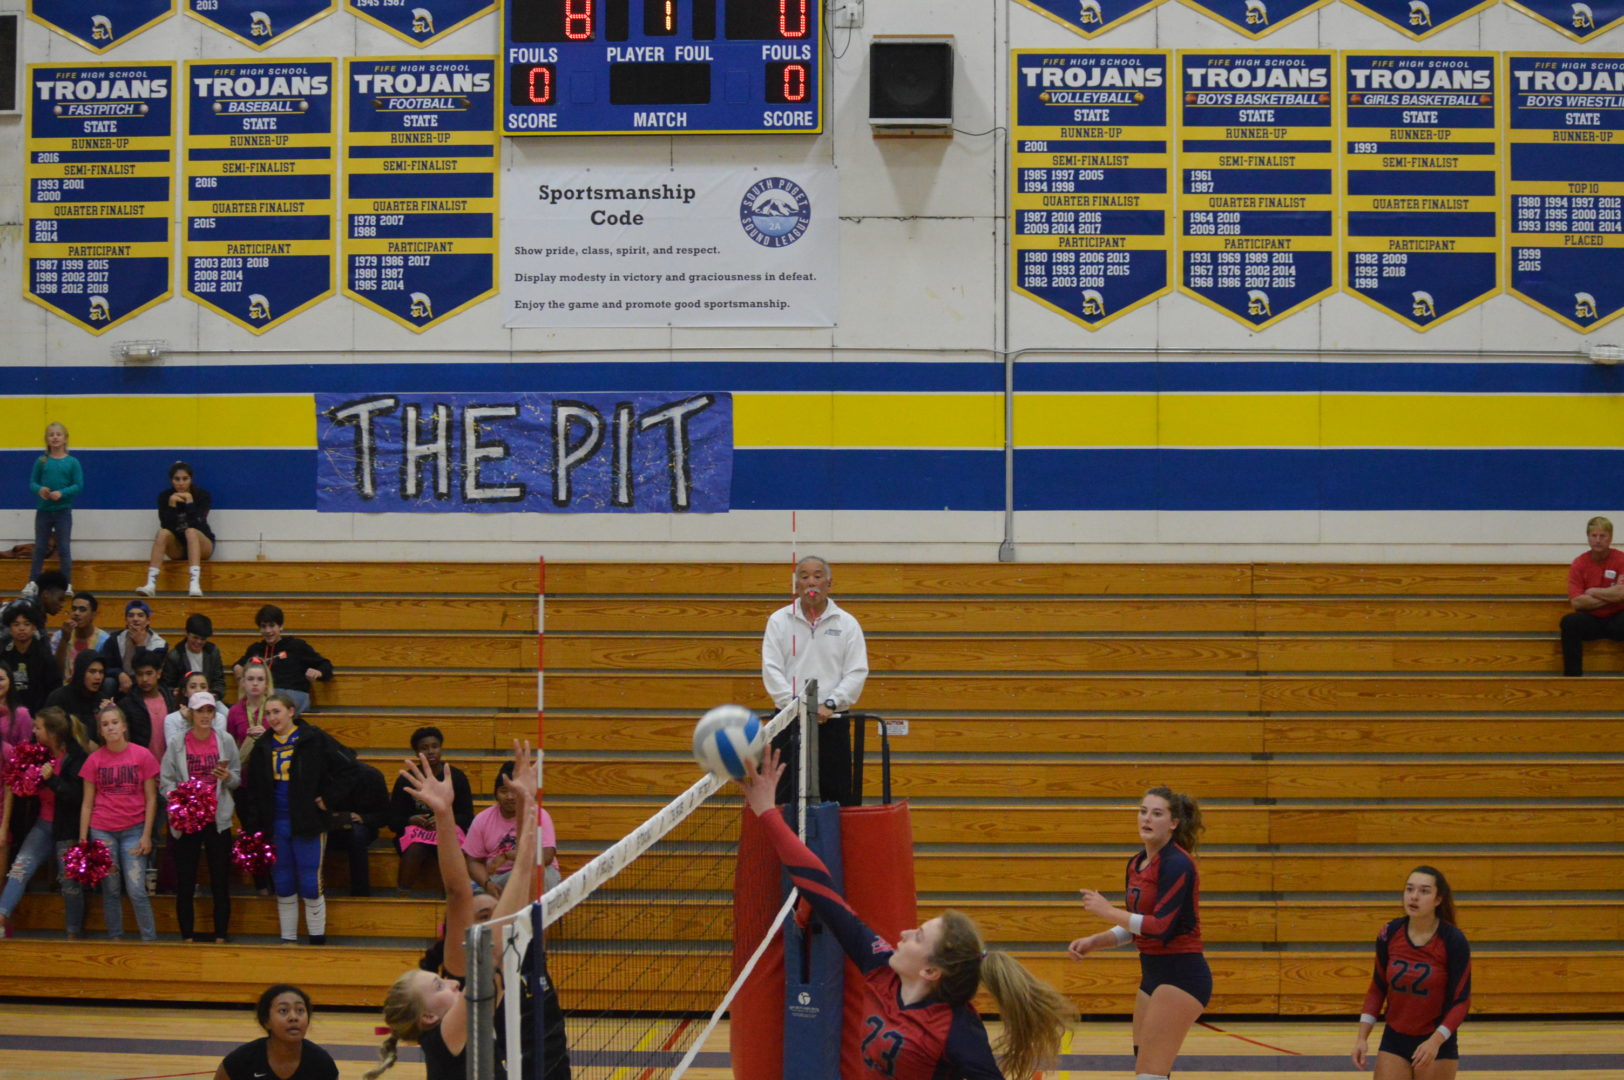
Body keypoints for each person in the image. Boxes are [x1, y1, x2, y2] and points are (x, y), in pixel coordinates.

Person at [736, 747, 1070, 1079]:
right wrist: (767, 812)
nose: (905, 933)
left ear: (930, 970)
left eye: (919, 937)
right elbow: (821, 891)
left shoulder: (955, 1030)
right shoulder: (881, 969)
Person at [366, 741, 543, 1080]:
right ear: (428, 1018)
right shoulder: (445, 1037)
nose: (450, 982)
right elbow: (492, 946)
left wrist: (444, 814)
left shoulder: (459, 1027)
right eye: (438, 986)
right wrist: (523, 857)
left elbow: (461, 892)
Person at [1068, 787, 1209, 1080]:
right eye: (1143, 811)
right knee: (1148, 1069)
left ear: (1173, 823)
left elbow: (1160, 927)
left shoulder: (1178, 864)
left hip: (1182, 976)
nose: (1146, 818)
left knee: (1149, 1074)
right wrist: (1096, 941)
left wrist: (1108, 911)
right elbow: (1136, 925)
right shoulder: (1136, 863)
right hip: (1152, 976)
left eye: (1157, 814)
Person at [240, 693, 356, 945]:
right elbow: (254, 792)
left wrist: (329, 798)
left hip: (308, 821)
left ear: (291, 711)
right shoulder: (262, 746)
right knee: (282, 882)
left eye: (277, 711)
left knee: (309, 881)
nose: (272, 718)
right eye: (268, 713)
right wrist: (254, 828)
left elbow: (349, 765)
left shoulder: (313, 738)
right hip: (275, 823)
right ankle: (288, 941)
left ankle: (317, 940)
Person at [761, 555, 870, 806]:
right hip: (788, 722)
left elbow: (856, 671)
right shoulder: (778, 621)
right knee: (784, 796)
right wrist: (795, 706)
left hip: (832, 722)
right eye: (805, 576)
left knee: (836, 797)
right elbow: (771, 668)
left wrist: (830, 704)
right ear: (796, 585)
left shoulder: (847, 624)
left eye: (818, 576)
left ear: (829, 583)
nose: (811, 582)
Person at [1353, 866, 1472, 1079]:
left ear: (1438, 899)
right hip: (1395, 1039)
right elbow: (1377, 988)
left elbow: (1461, 1001)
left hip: (1435, 1041)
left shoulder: (1453, 940)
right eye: (1409, 889)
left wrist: (1435, 1042)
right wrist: (1362, 1038)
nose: (1414, 896)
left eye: (1424, 891)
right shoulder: (1390, 933)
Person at [0, 707, 88, 939]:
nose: (34, 731)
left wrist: (52, 779)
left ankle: (73, 934)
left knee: (69, 884)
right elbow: (25, 787)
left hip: (67, 828)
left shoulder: (76, 756)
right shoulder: (37, 754)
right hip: (43, 823)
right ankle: (1, 915)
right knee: (19, 869)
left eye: (38, 727)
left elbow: (77, 795)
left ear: (53, 733)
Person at [160, 691, 240, 942]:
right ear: (191, 714)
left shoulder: (225, 740)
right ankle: (187, 936)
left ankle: (221, 935)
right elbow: (165, 781)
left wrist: (228, 777)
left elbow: (236, 778)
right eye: (200, 711)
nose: (205, 715)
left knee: (220, 880)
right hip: (188, 821)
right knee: (186, 880)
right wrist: (181, 799)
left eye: (209, 710)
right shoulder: (177, 743)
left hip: (218, 820)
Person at [78, 702, 160, 941]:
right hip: (102, 831)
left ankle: (150, 941)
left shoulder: (142, 755)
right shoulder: (93, 760)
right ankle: (116, 938)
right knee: (110, 888)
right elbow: (87, 803)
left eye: (115, 722)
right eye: (105, 725)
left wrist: (147, 835)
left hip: (134, 830)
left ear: (124, 726)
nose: (111, 727)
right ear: (100, 732)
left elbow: (151, 799)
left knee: (136, 889)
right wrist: (83, 839)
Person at [389, 727, 473, 894]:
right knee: (415, 848)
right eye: (424, 748)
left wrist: (445, 819)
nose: (431, 751)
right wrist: (410, 820)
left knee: (450, 848)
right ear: (416, 753)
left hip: (448, 830)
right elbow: (392, 821)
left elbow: (468, 817)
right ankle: (402, 895)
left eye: (435, 746)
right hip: (417, 833)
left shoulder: (456, 777)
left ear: (441, 748)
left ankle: (454, 897)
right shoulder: (406, 780)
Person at [464, 759, 561, 897]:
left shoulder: (539, 815)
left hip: (538, 873)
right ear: (496, 794)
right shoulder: (482, 819)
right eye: (504, 791)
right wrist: (487, 884)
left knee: (536, 876)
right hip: (499, 878)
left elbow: (546, 857)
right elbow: (474, 862)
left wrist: (507, 855)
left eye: (515, 792)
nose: (510, 797)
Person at [215, 984, 339, 1080]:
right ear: (266, 1021)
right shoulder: (239, 1062)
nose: (293, 1017)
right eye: (283, 1011)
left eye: (300, 1010)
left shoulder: (322, 1064)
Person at [233, 606, 333, 716]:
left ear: (280, 627)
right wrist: (240, 676)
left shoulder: (297, 646)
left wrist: (318, 672)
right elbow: (239, 666)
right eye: (263, 626)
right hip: (265, 696)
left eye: (272, 625)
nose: (268, 631)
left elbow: (326, 665)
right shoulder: (255, 649)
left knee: (271, 704)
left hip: (292, 695)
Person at [136, 460, 215, 599]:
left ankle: (194, 584)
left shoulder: (203, 495)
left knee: (190, 532)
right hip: (178, 547)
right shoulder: (165, 497)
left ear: (191, 479)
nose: (181, 483)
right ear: (171, 480)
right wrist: (172, 505)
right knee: (162, 533)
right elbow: (166, 525)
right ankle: (151, 584)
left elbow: (198, 524)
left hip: (202, 544)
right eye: (177, 479)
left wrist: (190, 503)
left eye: (185, 479)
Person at [23, 422, 83, 596]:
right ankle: (33, 582)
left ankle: (67, 583)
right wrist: (40, 489)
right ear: (47, 439)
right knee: (40, 547)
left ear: (65, 438)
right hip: (44, 511)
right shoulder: (41, 461)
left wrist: (62, 493)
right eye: (51, 435)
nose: (55, 437)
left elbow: (78, 485)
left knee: (64, 548)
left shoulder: (72, 462)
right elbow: (33, 483)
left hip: (63, 511)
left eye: (58, 434)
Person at [1560, 515, 1624, 676]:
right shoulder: (1579, 563)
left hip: (1618, 619)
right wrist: (1612, 595)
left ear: (1610, 538)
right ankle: (1572, 678)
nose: (1598, 540)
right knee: (1569, 622)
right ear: (1588, 538)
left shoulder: (1621, 559)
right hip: (1591, 620)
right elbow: (1577, 602)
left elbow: (1622, 594)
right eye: (1594, 536)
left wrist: (1593, 591)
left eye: (1603, 536)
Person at [328, 759, 391, 897]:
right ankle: (309, 892)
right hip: (324, 826)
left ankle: (360, 894)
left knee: (356, 834)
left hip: (360, 829)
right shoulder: (318, 775)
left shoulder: (371, 775)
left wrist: (363, 818)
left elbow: (385, 816)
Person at [44, 652, 118, 747]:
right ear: (80, 672)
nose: (98, 677)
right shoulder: (58, 697)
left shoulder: (103, 700)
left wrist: (110, 713)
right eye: (92, 671)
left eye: (101, 672)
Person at [1, 601, 60, 716]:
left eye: (26, 624)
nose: (21, 628)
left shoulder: (45, 656)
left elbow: (54, 689)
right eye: (16, 624)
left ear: (34, 627)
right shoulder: (4, 656)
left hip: (40, 715)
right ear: (10, 629)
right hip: (10, 714)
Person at [99, 599, 167, 695]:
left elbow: (147, 670)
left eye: (140, 615)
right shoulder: (115, 639)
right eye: (131, 615)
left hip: (146, 683)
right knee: (108, 682)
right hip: (120, 683)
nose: (135, 619)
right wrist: (119, 674)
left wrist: (140, 645)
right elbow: (105, 665)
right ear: (126, 620)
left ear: (148, 620)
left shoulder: (159, 645)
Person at [122, 649, 179, 756]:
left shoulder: (172, 700)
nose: (144, 679)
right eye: (140, 674)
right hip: (141, 763)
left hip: (170, 763)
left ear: (159, 673)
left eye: (149, 673)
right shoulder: (127, 704)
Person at [161, 614, 228, 699]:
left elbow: (219, 681)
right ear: (186, 634)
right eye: (195, 637)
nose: (199, 642)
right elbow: (167, 686)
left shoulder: (212, 652)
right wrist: (176, 693)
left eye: (203, 639)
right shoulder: (175, 656)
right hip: (183, 700)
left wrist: (216, 694)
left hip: (208, 698)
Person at [50, 591, 109, 682]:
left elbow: (104, 673)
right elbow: (54, 672)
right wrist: (64, 639)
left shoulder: (104, 640)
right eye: (74, 609)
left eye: (82, 610)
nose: (76, 613)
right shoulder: (59, 636)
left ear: (93, 615)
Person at [0, 665, 34, 765]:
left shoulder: (22, 714)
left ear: (10, 681)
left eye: (1, 679)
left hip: (11, 769)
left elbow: (25, 753)